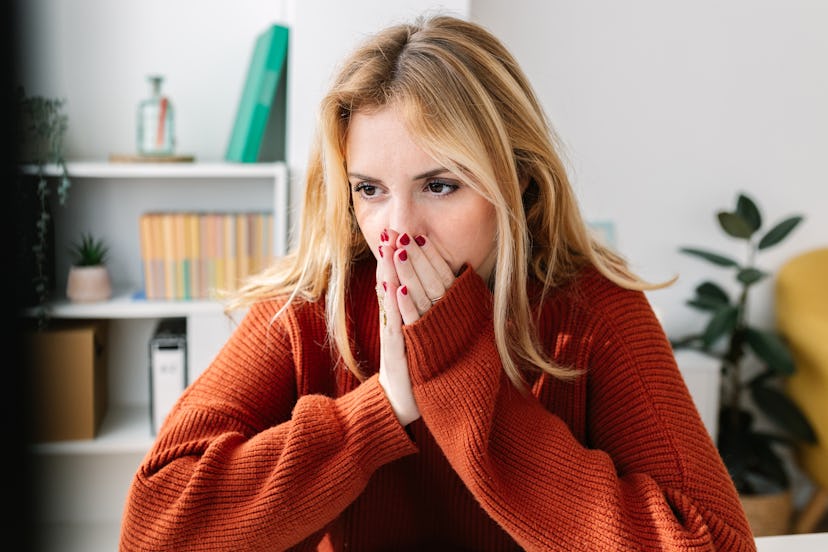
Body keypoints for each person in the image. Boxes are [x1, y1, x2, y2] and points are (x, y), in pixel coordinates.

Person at [119, 14, 756, 551]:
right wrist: (378, 412)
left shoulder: (590, 308)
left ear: (518, 185)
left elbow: (715, 540)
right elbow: (151, 529)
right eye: (369, 190)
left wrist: (461, 381)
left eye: (440, 185)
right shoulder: (318, 302)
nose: (398, 231)